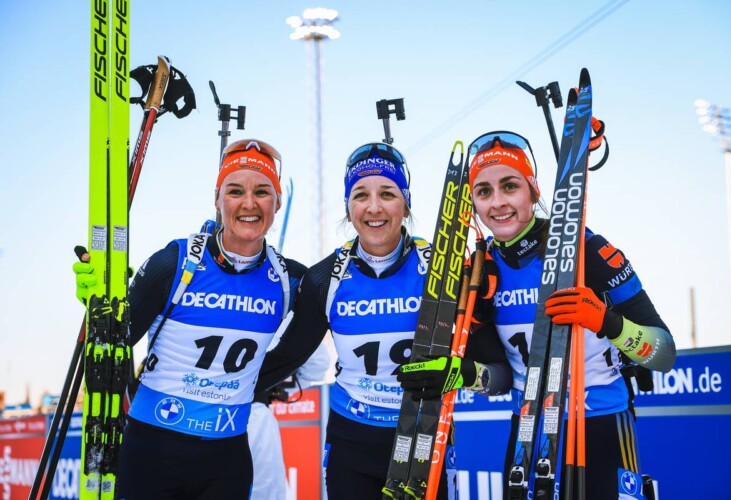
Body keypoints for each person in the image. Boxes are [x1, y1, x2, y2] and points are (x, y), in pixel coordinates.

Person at [403, 130, 676, 499]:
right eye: (483, 191)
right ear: (473, 204)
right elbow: (501, 379)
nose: (498, 202)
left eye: (510, 186)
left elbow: (664, 353)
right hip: (528, 431)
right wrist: (465, 374)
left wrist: (607, 322)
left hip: (600, 423)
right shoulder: (481, 274)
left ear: (533, 190)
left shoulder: (588, 251)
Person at [256, 142, 511, 500]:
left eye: (387, 194)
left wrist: (461, 373)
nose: (374, 207)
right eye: (360, 195)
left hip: (426, 438)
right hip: (351, 442)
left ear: (406, 205)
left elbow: (500, 377)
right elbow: (285, 359)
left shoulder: (443, 269)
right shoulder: (325, 279)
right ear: (348, 208)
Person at [74, 139, 307, 499]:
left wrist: (252, 382)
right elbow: (117, 337)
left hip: (226, 458)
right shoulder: (175, 263)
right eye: (235, 191)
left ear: (277, 202)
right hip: (153, 450)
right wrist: (97, 302)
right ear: (217, 199)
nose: (249, 203)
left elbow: (309, 338)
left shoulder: (289, 280)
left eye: (262, 192)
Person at [248, 338, 330, 499]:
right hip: (254, 413)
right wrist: (272, 386)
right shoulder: (275, 321)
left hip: (199, 414)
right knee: (263, 491)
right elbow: (317, 362)